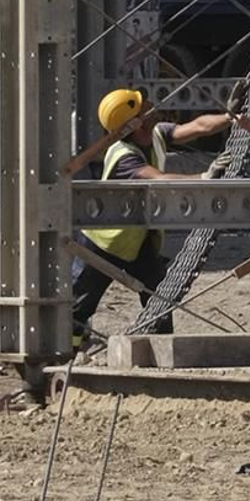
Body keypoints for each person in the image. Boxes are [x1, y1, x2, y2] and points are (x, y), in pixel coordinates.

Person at [72, 87, 233, 349]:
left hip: (137, 242)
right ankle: (64, 353)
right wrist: (204, 177)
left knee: (159, 298)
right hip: (103, 244)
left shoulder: (155, 134)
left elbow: (197, 126)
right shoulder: (124, 156)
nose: (150, 105)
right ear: (134, 123)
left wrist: (230, 117)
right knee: (79, 304)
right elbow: (160, 180)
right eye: (141, 105)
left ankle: (161, 350)